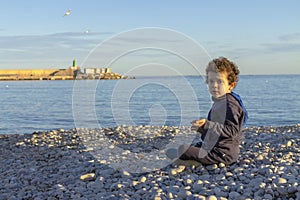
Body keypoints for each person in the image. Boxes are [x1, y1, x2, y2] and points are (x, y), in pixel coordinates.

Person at [166, 57, 248, 166]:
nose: (214, 85)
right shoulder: (220, 101)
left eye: (220, 82)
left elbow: (232, 131)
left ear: (230, 85)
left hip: (223, 153)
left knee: (183, 149)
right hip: (212, 146)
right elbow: (217, 131)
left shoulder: (229, 104)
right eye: (211, 81)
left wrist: (207, 124)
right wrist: (202, 129)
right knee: (182, 148)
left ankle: (193, 162)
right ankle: (188, 157)